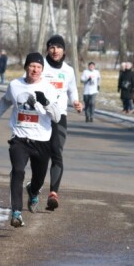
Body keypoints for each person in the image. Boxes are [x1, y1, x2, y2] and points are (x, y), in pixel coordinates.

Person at [0, 52, 60, 227]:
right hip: (20, 138)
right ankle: (16, 212)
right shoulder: (15, 85)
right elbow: (4, 102)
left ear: (42, 70)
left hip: (42, 140)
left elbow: (56, 118)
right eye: (32, 66)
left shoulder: (49, 88)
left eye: (38, 67)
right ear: (26, 67)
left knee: (39, 178)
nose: (35, 70)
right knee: (18, 171)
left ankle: (33, 191)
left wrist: (45, 102)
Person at [41, 34, 83, 211]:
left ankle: (53, 194)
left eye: (58, 47)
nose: (55, 50)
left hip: (60, 116)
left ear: (64, 51)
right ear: (48, 49)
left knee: (57, 152)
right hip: (41, 116)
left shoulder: (68, 70)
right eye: (51, 47)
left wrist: (75, 102)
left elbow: (72, 91)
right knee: (41, 156)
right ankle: (34, 188)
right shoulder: (40, 66)